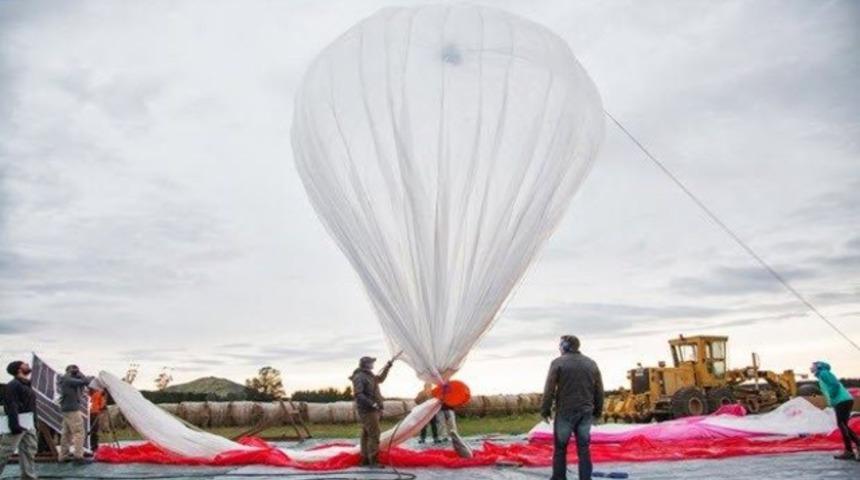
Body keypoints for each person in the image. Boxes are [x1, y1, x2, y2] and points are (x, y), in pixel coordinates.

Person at [541, 335, 603, 480]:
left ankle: (559, 477)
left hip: (565, 412)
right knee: (584, 448)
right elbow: (599, 390)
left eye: (560, 344)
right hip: (586, 412)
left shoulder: (557, 363)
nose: (559, 347)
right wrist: (598, 412)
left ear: (565, 346)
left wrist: (545, 410)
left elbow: (549, 389)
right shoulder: (591, 363)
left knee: (561, 448)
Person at [350, 356, 393, 467]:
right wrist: (372, 404)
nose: (373, 364)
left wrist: (387, 367)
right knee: (374, 434)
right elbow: (358, 394)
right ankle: (373, 461)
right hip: (367, 410)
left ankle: (365, 459)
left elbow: (381, 379)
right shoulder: (359, 377)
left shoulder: (370, 376)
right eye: (371, 362)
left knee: (366, 434)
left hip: (372, 409)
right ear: (366, 364)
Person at [811, 361, 859, 460]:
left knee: (842, 425)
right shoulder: (822, 375)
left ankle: (852, 449)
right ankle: (850, 450)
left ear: (819, 366)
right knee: (842, 425)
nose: (811, 367)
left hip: (842, 401)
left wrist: (832, 396)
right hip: (842, 401)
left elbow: (835, 385)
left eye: (813, 365)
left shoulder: (824, 373)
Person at [0, 360, 38, 479]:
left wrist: (34, 423)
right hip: (17, 422)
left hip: (28, 422)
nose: (27, 364)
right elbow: (12, 405)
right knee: (5, 451)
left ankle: (28, 477)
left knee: (29, 450)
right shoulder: (13, 385)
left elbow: (30, 405)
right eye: (24, 364)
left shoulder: (26, 384)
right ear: (18, 369)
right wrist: (14, 424)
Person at [57, 365, 94, 464]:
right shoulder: (68, 379)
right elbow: (86, 381)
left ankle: (63, 456)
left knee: (66, 433)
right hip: (72, 409)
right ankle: (78, 456)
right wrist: (79, 373)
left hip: (66, 409)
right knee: (79, 432)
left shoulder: (64, 379)